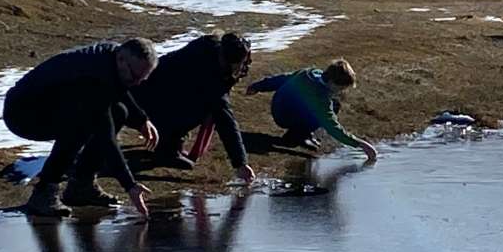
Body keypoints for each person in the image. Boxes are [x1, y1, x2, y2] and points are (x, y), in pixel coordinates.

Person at [1, 39, 160, 217]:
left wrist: (140, 120)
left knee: (119, 112)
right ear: (122, 59)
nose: (137, 83)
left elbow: (120, 88)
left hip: (52, 104)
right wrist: (130, 185)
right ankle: (44, 192)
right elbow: (106, 139)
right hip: (23, 113)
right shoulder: (92, 78)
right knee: (81, 123)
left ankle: (81, 186)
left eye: (142, 79)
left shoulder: (113, 58)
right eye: (134, 77)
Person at [132, 32, 256, 183]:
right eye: (241, 63)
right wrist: (240, 164)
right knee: (200, 108)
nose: (244, 67)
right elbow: (225, 121)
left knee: (196, 104)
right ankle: (167, 149)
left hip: (154, 90)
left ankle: (170, 144)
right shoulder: (209, 74)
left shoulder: (210, 48)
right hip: (148, 96)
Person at [245, 59, 378, 162]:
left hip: (279, 106)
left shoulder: (310, 73)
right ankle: (297, 135)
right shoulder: (320, 96)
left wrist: (258, 86)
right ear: (332, 82)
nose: (340, 91)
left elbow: (282, 79)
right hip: (284, 115)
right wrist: (361, 144)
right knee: (327, 111)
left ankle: (302, 133)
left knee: (334, 104)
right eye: (340, 88)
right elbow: (332, 127)